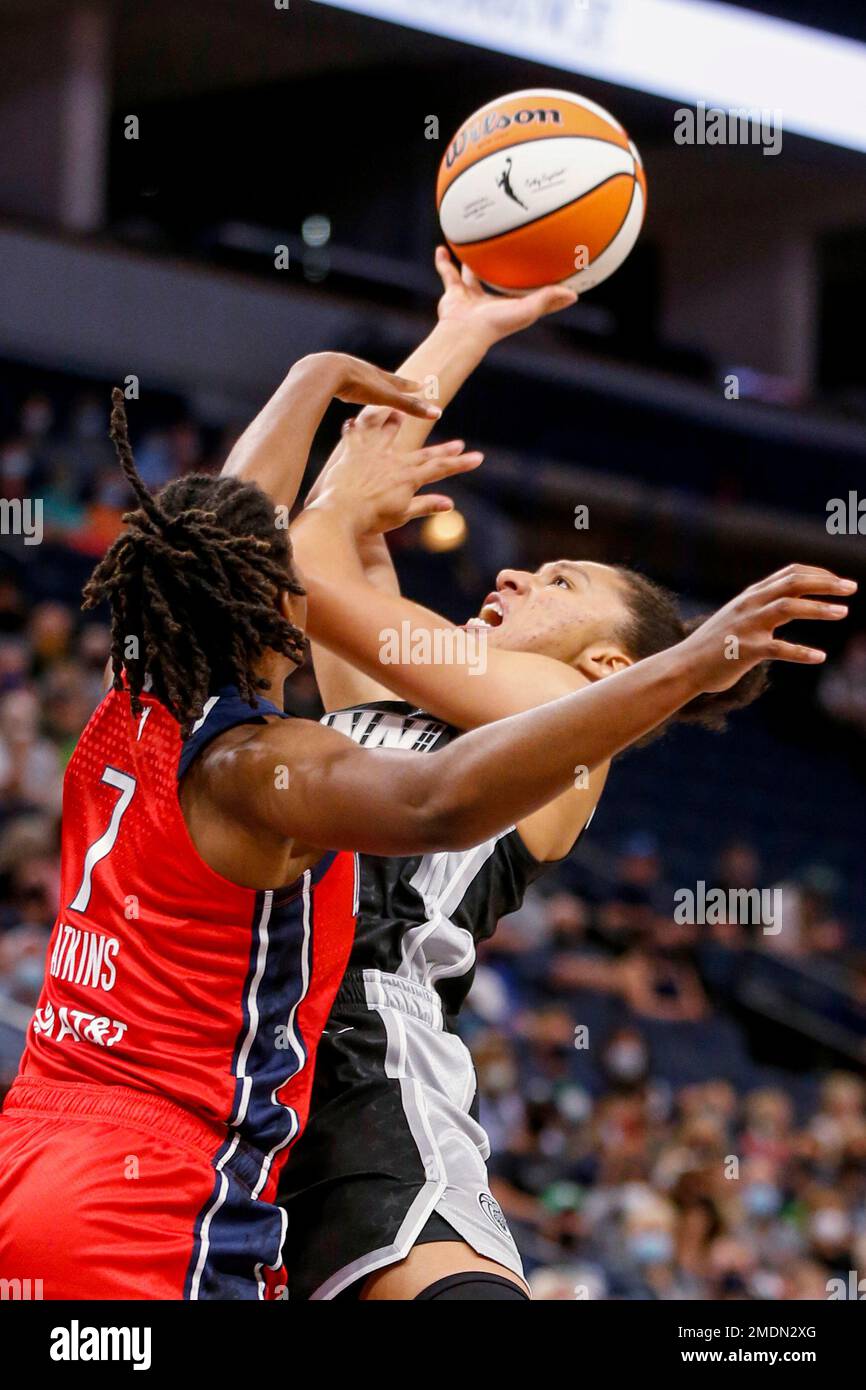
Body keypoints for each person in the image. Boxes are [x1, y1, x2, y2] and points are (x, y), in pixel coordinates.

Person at [270, 253, 856, 1300]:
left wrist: (339, 484)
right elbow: (340, 513)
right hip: (257, 1048)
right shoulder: (407, 697)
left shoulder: (557, 721)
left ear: (604, 669)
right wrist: (466, 326)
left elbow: (302, 565)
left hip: (368, 1064)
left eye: (557, 579)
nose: (509, 574)